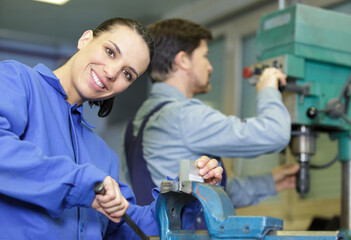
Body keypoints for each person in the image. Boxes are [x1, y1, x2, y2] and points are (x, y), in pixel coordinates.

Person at [0, 17, 223, 240]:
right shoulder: (16, 81)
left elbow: (131, 225)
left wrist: (186, 191)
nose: (111, 72)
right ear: (86, 39)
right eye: (110, 52)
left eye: (128, 74)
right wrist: (83, 184)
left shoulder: (102, 155)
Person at [124, 18, 300, 228]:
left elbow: (203, 193)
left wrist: (271, 182)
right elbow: (275, 134)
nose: (210, 66)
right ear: (183, 60)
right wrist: (268, 89)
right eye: (205, 56)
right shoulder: (182, 115)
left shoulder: (137, 121)